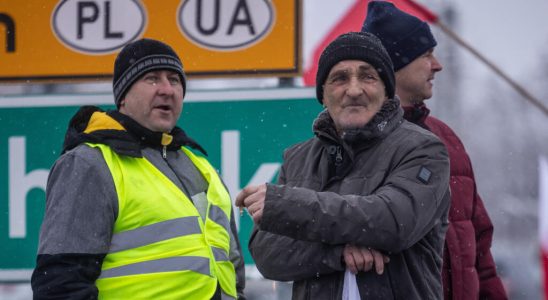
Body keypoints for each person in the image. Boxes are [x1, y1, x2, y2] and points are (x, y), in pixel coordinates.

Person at [236, 31, 451, 299]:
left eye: (368, 76)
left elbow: (395, 222)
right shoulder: (298, 158)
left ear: (386, 90)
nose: (354, 90)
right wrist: (335, 253)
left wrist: (286, 205)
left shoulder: (423, 149)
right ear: (323, 95)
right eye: (339, 78)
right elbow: (267, 254)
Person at [31, 38, 246, 299]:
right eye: (152, 79)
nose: (167, 90)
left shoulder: (201, 167)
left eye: (174, 80)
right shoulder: (90, 163)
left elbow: (231, 273)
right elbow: (60, 282)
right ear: (123, 97)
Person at [361, 2, 507, 299]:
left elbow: (479, 251)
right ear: (394, 65)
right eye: (425, 54)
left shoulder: (446, 138)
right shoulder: (353, 145)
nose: (437, 64)